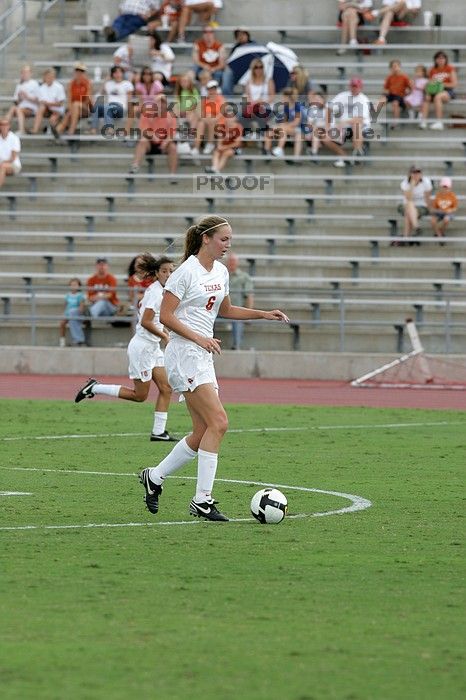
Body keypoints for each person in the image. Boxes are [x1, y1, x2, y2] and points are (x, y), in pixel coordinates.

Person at [138, 214, 289, 521]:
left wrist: (263, 314)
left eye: (230, 240)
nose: (227, 245)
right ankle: (202, 500)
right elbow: (165, 316)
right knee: (219, 422)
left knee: (202, 430)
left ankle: (154, 476)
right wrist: (199, 338)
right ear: (206, 239)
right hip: (184, 354)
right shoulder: (185, 273)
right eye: (223, 239)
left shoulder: (220, 271)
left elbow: (227, 309)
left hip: (202, 353)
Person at [75, 255, 177, 442]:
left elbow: (158, 319)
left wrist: (167, 332)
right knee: (140, 396)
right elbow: (146, 322)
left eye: (171, 271)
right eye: (164, 271)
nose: (169, 274)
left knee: (166, 388)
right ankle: (95, 388)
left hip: (152, 347)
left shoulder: (162, 292)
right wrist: (165, 336)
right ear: (156, 273)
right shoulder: (155, 293)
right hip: (143, 348)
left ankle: (158, 432)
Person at [129, 93, 178, 178]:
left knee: (173, 147)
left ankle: (172, 174)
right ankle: (135, 166)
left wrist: (165, 142)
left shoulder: (170, 116)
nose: (160, 105)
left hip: (163, 142)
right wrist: (153, 136)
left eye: (163, 103)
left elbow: (172, 133)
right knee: (143, 141)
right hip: (150, 143)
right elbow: (143, 130)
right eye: (159, 102)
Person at [328, 76, 374, 164]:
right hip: (345, 127)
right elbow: (329, 108)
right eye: (352, 86)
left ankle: (357, 152)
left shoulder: (363, 99)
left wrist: (344, 122)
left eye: (356, 86)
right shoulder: (343, 96)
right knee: (326, 137)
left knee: (356, 125)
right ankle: (345, 157)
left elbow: (360, 119)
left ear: (360, 87)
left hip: (362, 127)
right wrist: (329, 125)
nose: (354, 88)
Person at [90, 65, 134, 135]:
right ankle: (93, 128)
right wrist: (105, 80)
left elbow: (129, 99)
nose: (118, 74)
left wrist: (129, 111)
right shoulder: (109, 84)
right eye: (115, 72)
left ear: (122, 73)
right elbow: (99, 93)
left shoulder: (127, 84)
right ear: (112, 74)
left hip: (120, 108)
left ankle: (110, 129)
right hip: (108, 108)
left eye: (119, 72)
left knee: (107, 106)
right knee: (97, 107)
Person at [420, 51, 457, 130]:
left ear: (446, 59)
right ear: (435, 60)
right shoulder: (432, 69)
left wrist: (441, 84)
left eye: (443, 58)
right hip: (434, 90)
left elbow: (454, 84)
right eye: (438, 58)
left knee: (438, 97)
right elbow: (428, 83)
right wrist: (427, 93)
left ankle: (439, 122)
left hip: (447, 91)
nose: (441, 60)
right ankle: (423, 122)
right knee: (426, 99)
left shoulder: (450, 68)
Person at [395, 165, 432, 245]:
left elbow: (427, 198)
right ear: (410, 174)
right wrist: (412, 185)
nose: (416, 174)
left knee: (408, 213)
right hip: (406, 205)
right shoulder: (405, 183)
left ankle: (406, 238)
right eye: (414, 172)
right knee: (410, 204)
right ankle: (416, 226)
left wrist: (431, 209)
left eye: (418, 172)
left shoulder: (426, 182)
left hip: (421, 206)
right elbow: (408, 198)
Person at [53, 63, 93, 137]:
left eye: (81, 71)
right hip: (75, 109)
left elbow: (88, 100)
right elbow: (69, 99)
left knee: (75, 105)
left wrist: (75, 107)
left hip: (86, 108)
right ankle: (59, 130)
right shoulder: (71, 83)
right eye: (77, 71)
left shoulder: (87, 83)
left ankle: (69, 130)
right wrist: (72, 109)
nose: (79, 73)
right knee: (71, 111)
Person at [225, 253, 254, 350]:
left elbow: (249, 295)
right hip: (219, 308)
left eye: (233, 261)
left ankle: (236, 346)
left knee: (238, 318)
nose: (232, 263)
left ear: (237, 263)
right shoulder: (221, 274)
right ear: (227, 263)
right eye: (230, 261)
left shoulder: (244, 277)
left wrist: (249, 313)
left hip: (235, 308)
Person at [241, 57, 275, 139]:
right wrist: (253, 103)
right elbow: (247, 96)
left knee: (261, 112)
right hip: (253, 106)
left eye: (261, 67)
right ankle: (246, 134)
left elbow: (272, 97)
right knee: (241, 114)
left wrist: (262, 101)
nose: (259, 69)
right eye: (256, 67)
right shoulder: (249, 82)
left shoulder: (268, 81)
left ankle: (260, 133)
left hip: (266, 106)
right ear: (253, 69)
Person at [191, 79, 225, 158]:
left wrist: (210, 118)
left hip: (218, 123)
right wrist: (205, 119)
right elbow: (198, 111)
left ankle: (210, 143)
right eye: (210, 89)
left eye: (213, 88)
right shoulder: (204, 100)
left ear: (216, 89)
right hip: (207, 122)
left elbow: (221, 114)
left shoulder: (221, 99)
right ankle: (196, 147)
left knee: (211, 119)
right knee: (201, 123)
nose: (212, 91)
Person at [263, 88, 301, 158]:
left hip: (297, 129)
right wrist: (281, 124)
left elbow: (296, 122)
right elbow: (285, 120)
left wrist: (284, 125)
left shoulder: (297, 107)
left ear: (288, 98)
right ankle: (266, 151)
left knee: (282, 128)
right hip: (286, 128)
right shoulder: (286, 107)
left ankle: (280, 149)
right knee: (270, 131)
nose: (282, 98)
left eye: (284, 97)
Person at [205, 105, 243, 173]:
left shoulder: (238, 127)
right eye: (227, 116)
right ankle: (215, 169)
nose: (229, 118)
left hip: (234, 147)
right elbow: (220, 139)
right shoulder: (223, 126)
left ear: (235, 118)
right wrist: (220, 146)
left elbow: (237, 143)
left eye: (231, 116)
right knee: (216, 152)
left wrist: (225, 147)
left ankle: (215, 170)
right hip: (224, 146)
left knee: (226, 153)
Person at [222, 27, 256, 97]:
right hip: (238, 71)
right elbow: (230, 62)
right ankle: (228, 99)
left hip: (251, 70)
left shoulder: (254, 45)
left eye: (243, 34)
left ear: (247, 35)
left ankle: (250, 99)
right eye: (238, 35)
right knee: (227, 72)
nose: (241, 37)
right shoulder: (235, 48)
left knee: (249, 74)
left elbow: (258, 60)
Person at [6, 64, 40, 135]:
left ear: (31, 73)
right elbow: (16, 102)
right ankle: (4, 127)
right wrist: (20, 98)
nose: (25, 74)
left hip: (31, 108)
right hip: (21, 107)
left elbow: (38, 100)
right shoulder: (19, 85)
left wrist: (27, 96)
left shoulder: (35, 83)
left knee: (17, 109)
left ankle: (21, 130)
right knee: (13, 108)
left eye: (27, 72)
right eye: (23, 72)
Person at [31, 68, 66, 134]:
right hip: (46, 110)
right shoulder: (41, 87)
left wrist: (48, 103)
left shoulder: (59, 87)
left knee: (52, 118)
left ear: (54, 77)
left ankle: (51, 129)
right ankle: (35, 129)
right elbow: (41, 102)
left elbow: (60, 104)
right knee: (41, 108)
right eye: (47, 77)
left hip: (57, 110)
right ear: (44, 77)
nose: (49, 78)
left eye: (51, 77)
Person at [380, 59, 411, 129]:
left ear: (400, 67)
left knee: (395, 103)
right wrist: (384, 94)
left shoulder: (404, 77)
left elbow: (410, 88)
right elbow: (385, 88)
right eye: (393, 67)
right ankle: (381, 119)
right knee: (381, 100)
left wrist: (408, 92)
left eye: (396, 66)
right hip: (391, 94)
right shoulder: (389, 77)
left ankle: (395, 122)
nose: (395, 68)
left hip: (400, 95)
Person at [430, 176, 458, 243]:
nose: (445, 189)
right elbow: (434, 207)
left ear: (450, 188)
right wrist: (437, 210)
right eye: (443, 187)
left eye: (447, 188)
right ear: (440, 187)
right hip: (440, 212)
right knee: (433, 220)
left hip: (448, 212)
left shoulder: (452, 196)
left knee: (446, 219)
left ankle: (441, 233)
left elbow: (455, 208)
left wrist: (450, 210)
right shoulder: (438, 195)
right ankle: (439, 235)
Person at [59, 278, 86, 347]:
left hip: (75, 313)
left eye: (75, 285)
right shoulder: (68, 295)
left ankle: (78, 340)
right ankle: (62, 340)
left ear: (79, 286)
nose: (73, 286)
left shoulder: (80, 295)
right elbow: (65, 304)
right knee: (62, 323)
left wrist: (80, 311)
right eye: (72, 285)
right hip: (68, 313)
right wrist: (63, 313)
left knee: (72, 315)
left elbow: (81, 306)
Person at [0, 117, 21, 189]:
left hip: (13, 165)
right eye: (2, 124)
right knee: (2, 167)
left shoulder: (14, 138)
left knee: (2, 166)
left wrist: (1, 163)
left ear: (9, 126)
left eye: (6, 124)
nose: (4, 126)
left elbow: (13, 158)